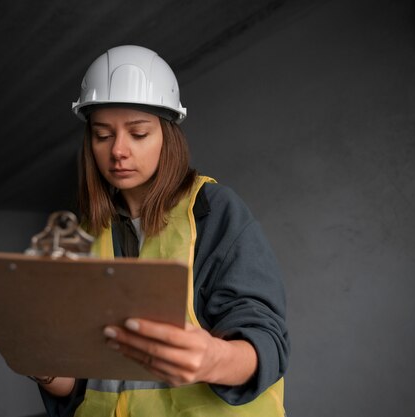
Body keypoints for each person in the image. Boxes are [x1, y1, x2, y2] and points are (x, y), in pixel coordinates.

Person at [35, 45, 289, 417]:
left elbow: (266, 341)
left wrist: (213, 358)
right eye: (102, 135)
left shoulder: (212, 210)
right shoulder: (83, 232)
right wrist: (43, 368)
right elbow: (78, 384)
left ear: (167, 136)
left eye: (138, 133)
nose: (118, 150)